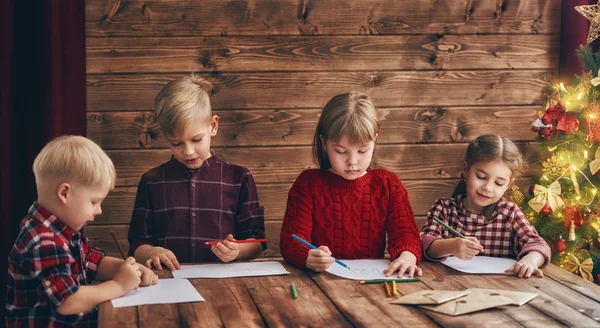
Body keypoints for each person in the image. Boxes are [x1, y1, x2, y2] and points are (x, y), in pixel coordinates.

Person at [6, 135, 157, 327]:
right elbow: (68, 301)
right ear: (65, 193)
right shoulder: (43, 241)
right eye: (94, 202)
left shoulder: (62, 231)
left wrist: (126, 269)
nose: (99, 210)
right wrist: (119, 285)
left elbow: (92, 262)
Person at [128, 75, 266, 271]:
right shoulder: (151, 182)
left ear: (213, 126)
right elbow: (137, 244)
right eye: (176, 143)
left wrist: (237, 251)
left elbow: (257, 242)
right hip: (168, 284)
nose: (188, 151)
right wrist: (150, 253)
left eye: (196, 139)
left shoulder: (239, 179)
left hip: (225, 285)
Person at [279, 91, 422, 277]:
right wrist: (308, 256)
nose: (352, 162)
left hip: (374, 280)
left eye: (362, 151)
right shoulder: (308, 184)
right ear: (324, 143)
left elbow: (405, 235)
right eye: (340, 151)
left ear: (375, 140)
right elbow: (291, 241)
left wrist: (407, 257)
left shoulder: (387, 184)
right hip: (320, 283)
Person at [421, 134, 551, 278]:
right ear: (466, 170)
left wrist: (530, 260)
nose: (488, 187)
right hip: (449, 285)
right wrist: (452, 246)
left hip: (503, 288)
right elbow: (425, 243)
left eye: (498, 183)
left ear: (508, 184)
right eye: (481, 177)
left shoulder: (510, 213)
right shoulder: (445, 208)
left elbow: (538, 245)